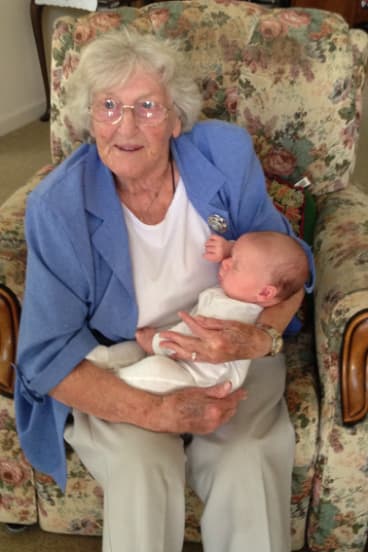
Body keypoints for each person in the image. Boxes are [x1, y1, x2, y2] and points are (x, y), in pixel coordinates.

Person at [14, 27, 314, 552]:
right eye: (108, 106)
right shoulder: (58, 206)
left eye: (147, 106)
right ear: (91, 119)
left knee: (245, 456)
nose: (125, 125)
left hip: (231, 348)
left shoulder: (223, 154)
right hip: (127, 361)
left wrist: (259, 339)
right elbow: (47, 356)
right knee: (140, 463)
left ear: (176, 119)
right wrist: (153, 411)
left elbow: (289, 269)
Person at [87, 231, 309, 393]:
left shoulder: (235, 313)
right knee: (135, 351)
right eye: (232, 255)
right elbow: (256, 254)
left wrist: (155, 343)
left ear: (264, 293)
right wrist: (227, 247)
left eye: (236, 264)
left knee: (155, 368)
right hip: (181, 357)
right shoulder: (245, 290)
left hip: (196, 378)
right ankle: (103, 360)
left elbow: (186, 339)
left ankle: (111, 382)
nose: (226, 263)